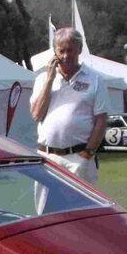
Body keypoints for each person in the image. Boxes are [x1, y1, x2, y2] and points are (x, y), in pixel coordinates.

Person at [30, 26, 109, 186]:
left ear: (79, 49)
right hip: (47, 157)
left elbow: (101, 120)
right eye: (61, 51)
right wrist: (49, 80)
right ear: (55, 52)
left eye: (70, 50)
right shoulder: (41, 79)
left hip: (79, 157)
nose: (66, 55)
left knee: (82, 210)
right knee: (47, 209)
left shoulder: (95, 80)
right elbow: (36, 115)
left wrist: (87, 154)